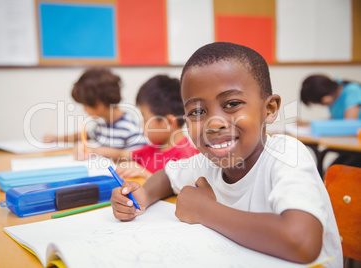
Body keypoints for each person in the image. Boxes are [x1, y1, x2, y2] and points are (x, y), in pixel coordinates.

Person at [110, 42, 342, 267]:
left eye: (232, 104)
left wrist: (205, 211)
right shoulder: (206, 163)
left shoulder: (286, 155)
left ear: (269, 109)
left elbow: (302, 241)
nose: (214, 123)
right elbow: (167, 177)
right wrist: (143, 196)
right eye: (197, 111)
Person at [100, 74, 199, 179]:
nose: (141, 125)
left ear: (168, 122)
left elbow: (184, 190)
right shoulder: (154, 148)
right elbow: (121, 154)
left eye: (145, 119)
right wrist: (93, 150)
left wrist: (144, 174)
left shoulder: (187, 156)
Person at [43, 67, 146, 155]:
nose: (85, 110)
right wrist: (57, 139)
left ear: (99, 104)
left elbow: (138, 157)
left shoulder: (130, 128)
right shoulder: (103, 124)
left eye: (86, 106)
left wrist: (95, 150)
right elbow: (85, 135)